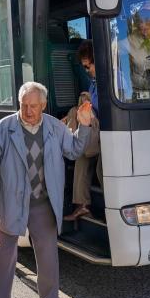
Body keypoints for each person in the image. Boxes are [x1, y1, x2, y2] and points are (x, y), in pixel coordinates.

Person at [0, 81, 92, 298]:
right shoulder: (4, 129)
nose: (28, 111)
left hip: (42, 205)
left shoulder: (55, 128)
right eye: (23, 105)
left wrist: (84, 125)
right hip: (10, 205)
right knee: (2, 263)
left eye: (34, 106)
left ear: (44, 105)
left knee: (49, 260)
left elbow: (74, 150)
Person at [62, 92, 100, 221]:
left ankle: (84, 206)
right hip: (93, 144)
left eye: (89, 69)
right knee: (81, 161)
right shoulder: (93, 85)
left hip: (105, 139)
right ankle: (82, 206)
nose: (88, 70)